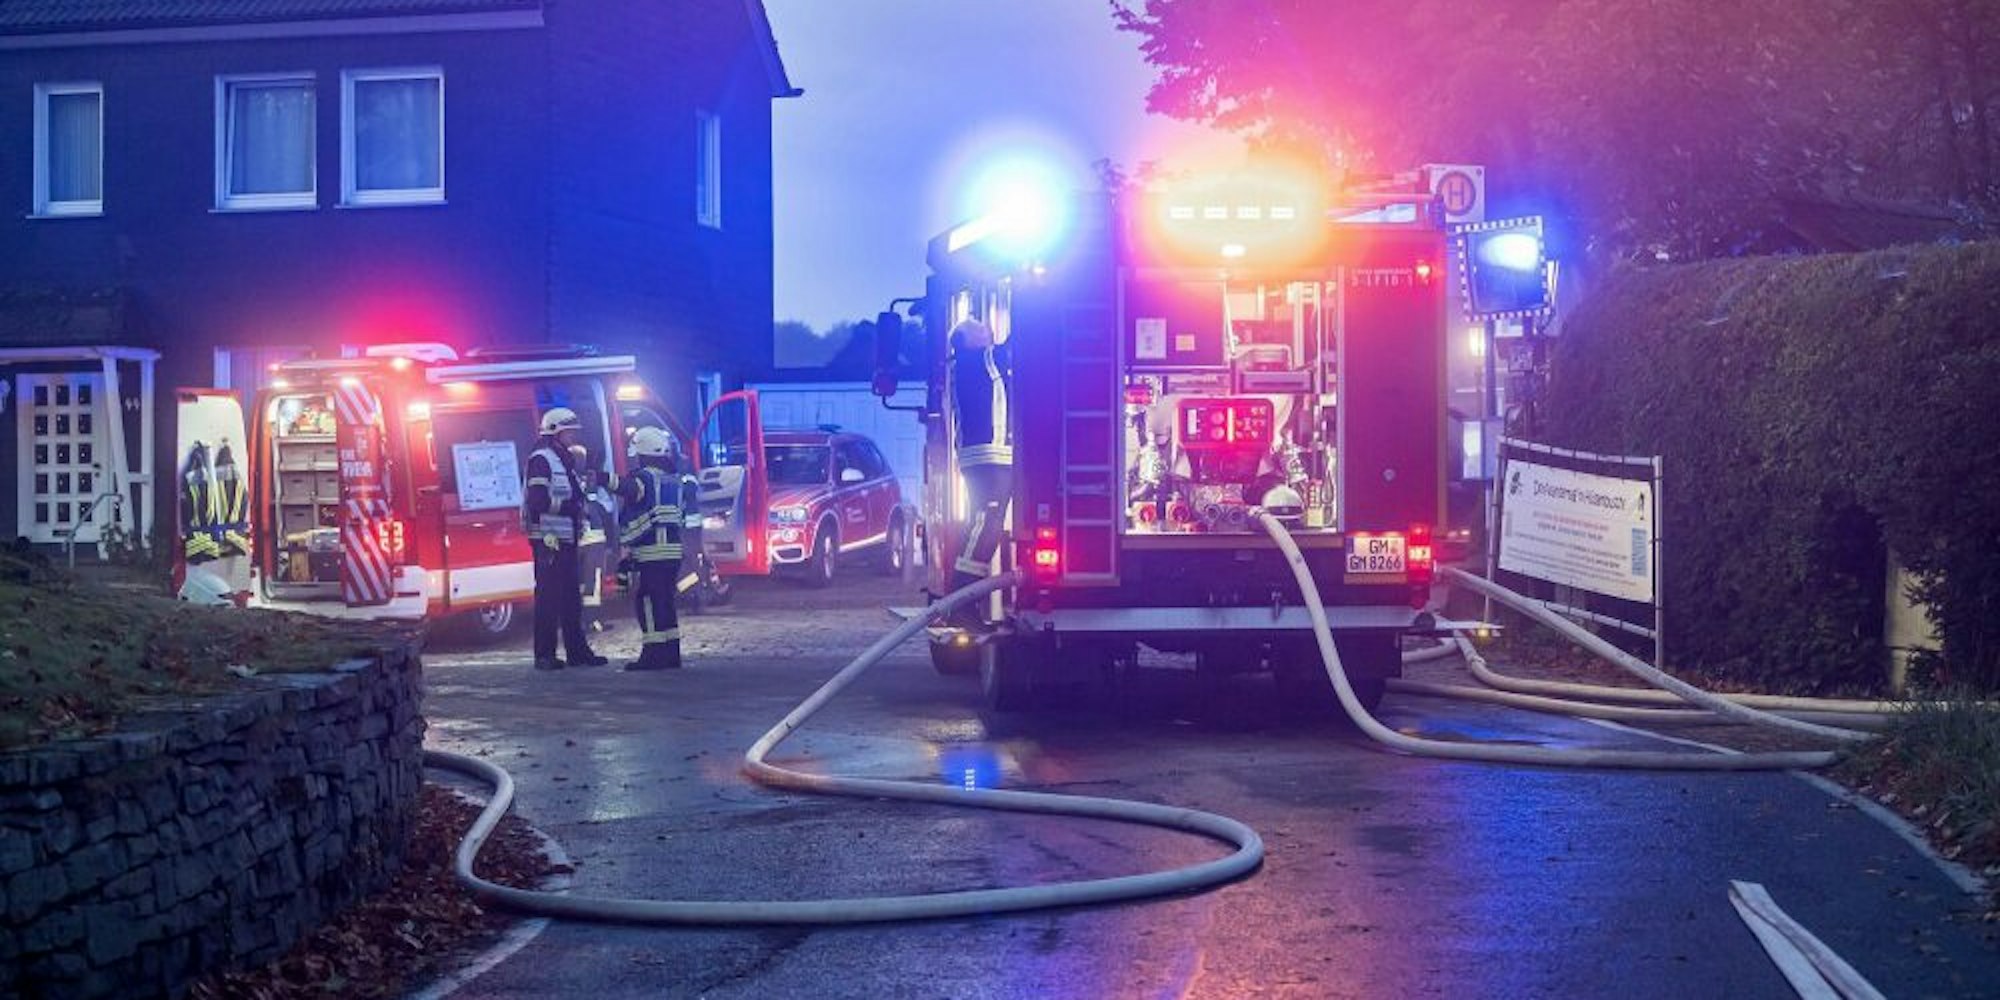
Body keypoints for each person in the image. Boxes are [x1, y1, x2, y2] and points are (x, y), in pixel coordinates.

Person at [522, 408, 608, 670]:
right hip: (548, 540)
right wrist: (569, 507)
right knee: (548, 598)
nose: (573, 436)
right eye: (569, 432)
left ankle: (577, 652)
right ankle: (544, 655)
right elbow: (537, 501)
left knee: (571, 597)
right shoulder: (541, 460)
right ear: (555, 432)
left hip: (566, 538)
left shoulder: (562, 460)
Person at [947, 317, 1013, 623]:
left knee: (987, 522)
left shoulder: (968, 364)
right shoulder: (975, 361)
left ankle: (963, 599)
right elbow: (1014, 348)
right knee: (987, 522)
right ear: (967, 341)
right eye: (980, 329)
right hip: (988, 456)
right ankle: (961, 600)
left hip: (985, 456)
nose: (988, 330)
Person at [617, 426, 687, 670]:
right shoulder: (673, 480)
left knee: (647, 602)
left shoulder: (645, 477)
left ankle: (652, 655)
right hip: (673, 552)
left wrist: (604, 479)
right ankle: (671, 654)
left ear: (642, 453)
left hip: (652, 552)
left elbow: (627, 489)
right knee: (665, 602)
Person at [573, 447, 615, 633]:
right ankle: (594, 621)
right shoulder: (592, 481)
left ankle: (582, 621)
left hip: (575, 540)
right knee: (594, 582)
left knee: (581, 582)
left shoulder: (565, 480)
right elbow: (607, 508)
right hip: (594, 539)